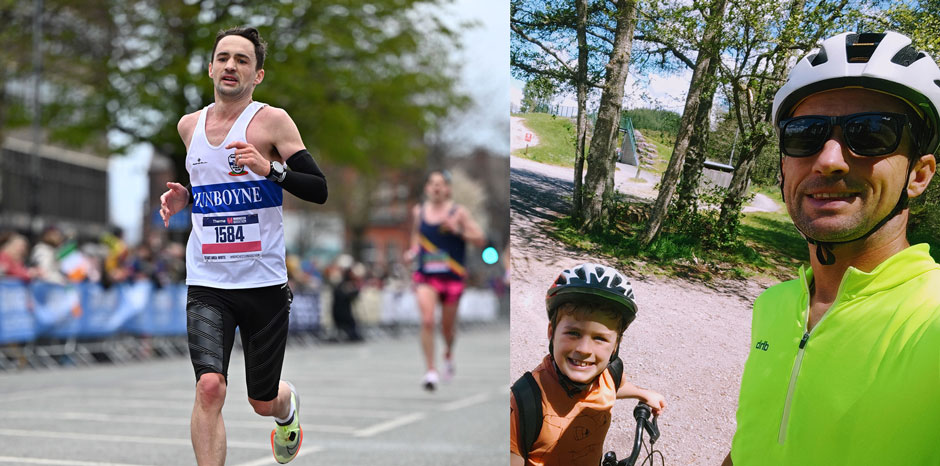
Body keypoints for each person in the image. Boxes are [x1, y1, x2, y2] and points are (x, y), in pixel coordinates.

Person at [724, 31, 940, 465]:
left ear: (919, 175)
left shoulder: (929, 319)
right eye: (805, 134)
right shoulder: (776, 303)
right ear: (784, 167)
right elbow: (756, 441)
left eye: (872, 133)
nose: (829, 159)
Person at [158, 26, 328, 465]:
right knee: (209, 387)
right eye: (224, 58)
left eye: (243, 60)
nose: (231, 65)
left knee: (261, 400)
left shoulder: (272, 121)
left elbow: (318, 188)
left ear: (258, 75)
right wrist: (187, 197)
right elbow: (212, 186)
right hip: (208, 281)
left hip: (264, 285)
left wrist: (270, 168)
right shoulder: (188, 126)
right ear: (210, 67)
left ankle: (286, 409)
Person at [509, 263, 666, 466]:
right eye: (573, 333)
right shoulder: (526, 400)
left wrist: (643, 394)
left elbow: (615, 388)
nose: (584, 349)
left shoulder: (610, 373)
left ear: (616, 343)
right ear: (551, 332)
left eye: (600, 338)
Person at [405, 170, 486, 390]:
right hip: (426, 275)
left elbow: (479, 239)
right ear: (427, 188)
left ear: (448, 189)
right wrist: (413, 250)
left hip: (452, 277)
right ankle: (431, 370)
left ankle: (448, 353)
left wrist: (458, 230)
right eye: (432, 183)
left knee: (447, 329)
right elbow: (416, 235)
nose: (436, 188)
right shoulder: (419, 211)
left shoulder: (458, 213)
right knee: (428, 320)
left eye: (440, 184)